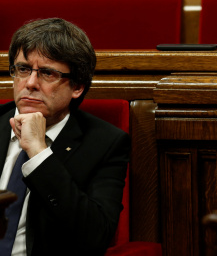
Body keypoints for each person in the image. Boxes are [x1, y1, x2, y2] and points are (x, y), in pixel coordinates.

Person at [0, 18, 130, 256]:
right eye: (23, 69)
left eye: (47, 73)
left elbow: (96, 236)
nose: (30, 83)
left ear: (77, 86)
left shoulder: (104, 143)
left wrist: (39, 153)